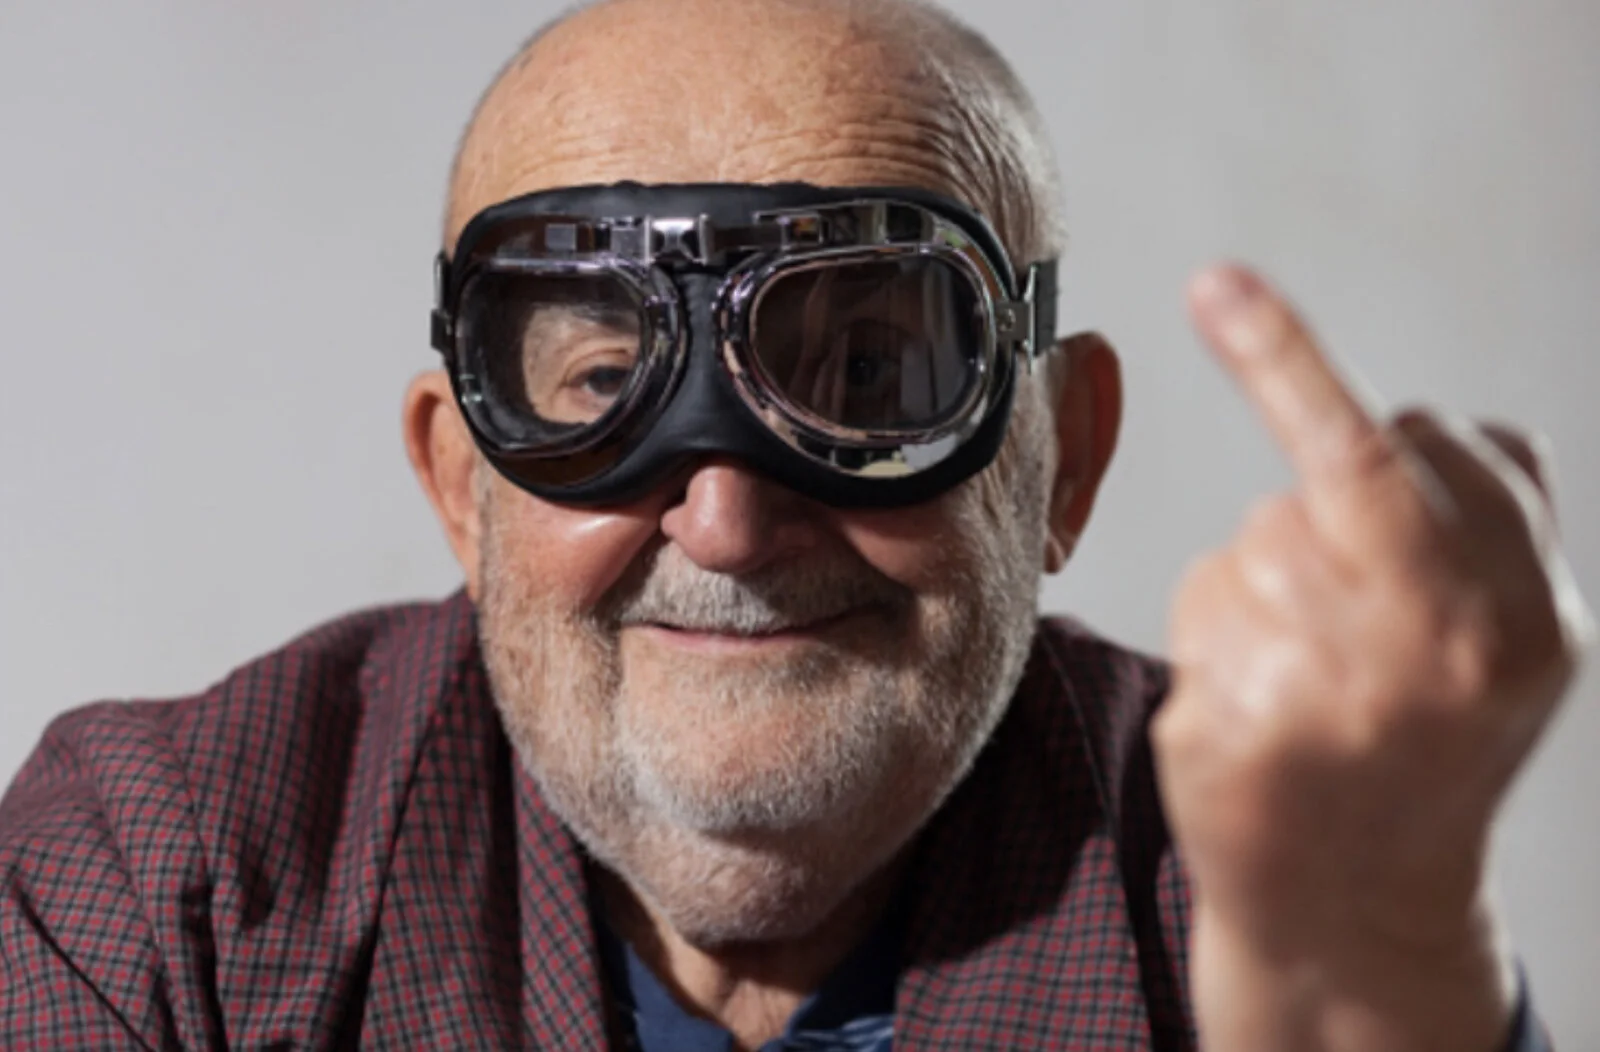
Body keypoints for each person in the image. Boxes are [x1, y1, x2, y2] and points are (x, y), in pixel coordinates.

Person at [0, 0, 1588, 1048]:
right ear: (461, 484)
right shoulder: (168, 888)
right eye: (604, 384)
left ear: (1065, 460)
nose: (729, 517)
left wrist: (1390, 985)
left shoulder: (1268, 886)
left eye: (875, 374)